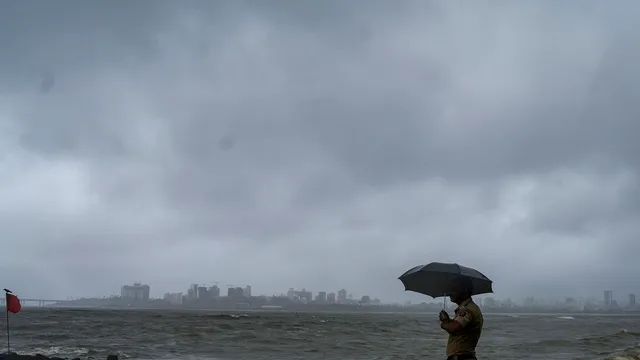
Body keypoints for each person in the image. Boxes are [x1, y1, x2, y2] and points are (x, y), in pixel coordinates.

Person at [438, 277, 484, 360]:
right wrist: (447, 321)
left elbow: (455, 328)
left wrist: (444, 323)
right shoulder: (470, 307)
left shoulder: (467, 309)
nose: (450, 293)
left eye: (454, 289)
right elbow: (460, 328)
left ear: (465, 290)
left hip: (462, 357)